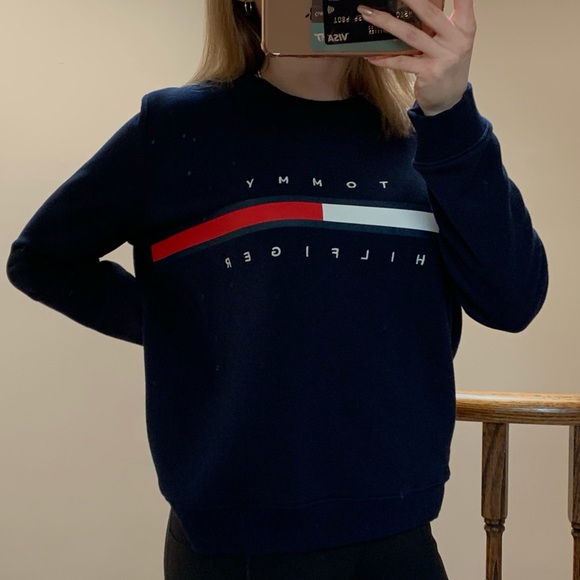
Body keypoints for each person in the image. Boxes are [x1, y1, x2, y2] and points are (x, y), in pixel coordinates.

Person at [6, 0, 548, 578]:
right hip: (240, 539)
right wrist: (187, 329)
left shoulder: (432, 140)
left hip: (399, 528)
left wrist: (450, 111)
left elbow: (513, 301)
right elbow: (41, 259)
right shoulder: (177, 128)